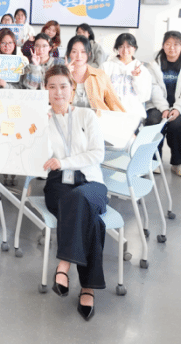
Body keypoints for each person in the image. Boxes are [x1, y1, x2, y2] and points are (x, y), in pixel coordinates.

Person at [41, 65, 108, 321]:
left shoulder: (86, 116)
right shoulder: (41, 120)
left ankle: (64, 264)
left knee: (80, 200)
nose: (58, 92)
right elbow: (39, 159)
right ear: (45, 90)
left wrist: (65, 162)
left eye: (63, 86)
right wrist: (38, 129)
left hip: (91, 181)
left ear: (73, 89)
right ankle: (88, 288)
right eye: (52, 87)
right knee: (93, 221)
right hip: (58, 183)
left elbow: (97, 154)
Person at [143, 31, 181, 177]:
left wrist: (177, 108)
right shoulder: (153, 66)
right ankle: (153, 160)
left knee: (176, 125)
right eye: (168, 44)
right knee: (153, 121)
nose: (172, 48)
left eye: (176, 44)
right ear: (163, 46)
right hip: (157, 105)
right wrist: (164, 108)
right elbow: (153, 89)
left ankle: (177, 163)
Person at [67, 36, 125, 112]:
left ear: (89, 54)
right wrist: (63, 76)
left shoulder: (100, 75)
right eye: (74, 52)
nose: (79, 56)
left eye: (83, 52)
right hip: (71, 118)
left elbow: (115, 104)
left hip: (98, 118)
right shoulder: (61, 76)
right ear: (69, 53)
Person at [101, 33, 153, 118]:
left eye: (128, 47)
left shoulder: (142, 70)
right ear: (117, 48)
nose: (125, 50)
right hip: (111, 112)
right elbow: (100, 92)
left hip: (133, 114)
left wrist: (136, 78)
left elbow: (144, 97)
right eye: (121, 46)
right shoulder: (106, 66)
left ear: (134, 48)